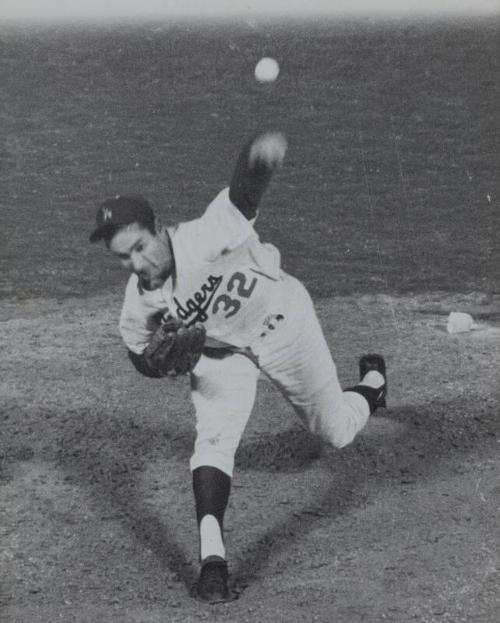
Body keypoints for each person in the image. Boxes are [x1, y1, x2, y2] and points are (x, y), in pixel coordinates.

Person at [89, 130, 387, 603]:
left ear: (159, 227)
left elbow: (244, 194)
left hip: (283, 323)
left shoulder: (205, 238)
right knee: (212, 439)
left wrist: (258, 157)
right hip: (223, 355)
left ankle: (372, 382)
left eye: (142, 247)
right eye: (123, 256)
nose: (137, 263)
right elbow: (138, 353)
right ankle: (213, 562)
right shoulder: (139, 302)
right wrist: (158, 365)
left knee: (335, 431)